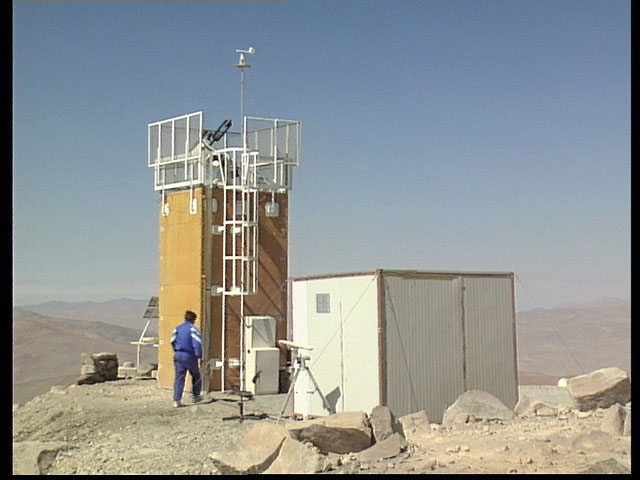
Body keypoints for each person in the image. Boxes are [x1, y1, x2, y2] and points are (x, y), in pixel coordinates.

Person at [171, 310, 203, 407]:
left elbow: (172, 341)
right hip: (189, 355)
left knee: (179, 377)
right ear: (194, 319)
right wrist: (199, 355)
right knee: (196, 375)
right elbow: (196, 342)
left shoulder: (177, 329)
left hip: (178, 354)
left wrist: (176, 350)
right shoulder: (193, 329)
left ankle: (177, 400)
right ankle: (196, 395)